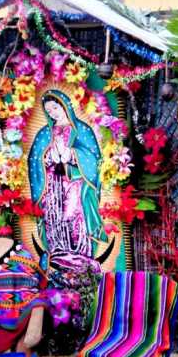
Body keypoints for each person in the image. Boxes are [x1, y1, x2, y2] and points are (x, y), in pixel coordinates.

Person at [28, 90, 106, 258]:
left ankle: (81, 260)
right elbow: (34, 161)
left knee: (73, 217)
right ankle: (58, 256)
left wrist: (72, 154)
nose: (53, 113)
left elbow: (95, 160)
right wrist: (48, 157)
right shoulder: (44, 134)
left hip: (76, 185)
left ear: (65, 106)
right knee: (55, 219)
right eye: (49, 111)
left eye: (55, 108)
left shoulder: (82, 130)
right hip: (52, 187)